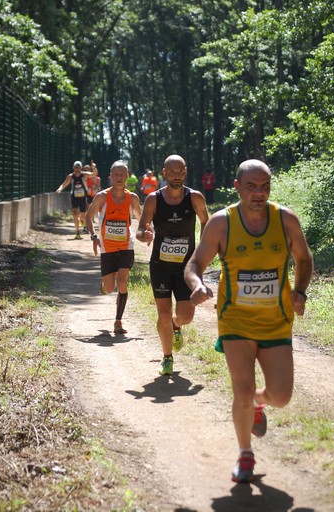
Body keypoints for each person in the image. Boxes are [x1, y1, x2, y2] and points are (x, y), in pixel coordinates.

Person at [184, 159, 313, 483]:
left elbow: (304, 258)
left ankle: (260, 401)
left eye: (265, 186)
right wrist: (197, 285)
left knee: (281, 396)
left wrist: (299, 291)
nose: (259, 193)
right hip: (235, 321)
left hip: (276, 321)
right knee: (240, 391)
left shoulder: (285, 220)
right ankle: (245, 455)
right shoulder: (221, 223)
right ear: (237, 187)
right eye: (252, 186)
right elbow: (194, 263)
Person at [136, 154, 209, 375]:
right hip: (160, 265)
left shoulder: (195, 198)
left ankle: (177, 326)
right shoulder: (153, 199)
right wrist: (144, 235)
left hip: (186, 267)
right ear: (164, 173)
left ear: (185, 172)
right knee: (163, 313)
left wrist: (202, 248)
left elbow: (206, 221)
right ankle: (167, 358)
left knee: (186, 316)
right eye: (172, 172)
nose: (176, 176)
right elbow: (141, 228)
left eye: (180, 172)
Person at [85, 161, 141, 334]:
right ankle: (104, 285)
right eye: (115, 174)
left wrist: (148, 230)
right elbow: (88, 216)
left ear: (127, 176)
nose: (118, 177)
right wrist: (94, 236)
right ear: (111, 176)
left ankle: (118, 321)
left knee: (122, 282)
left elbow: (140, 218)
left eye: (122, 174)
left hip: (126, 246)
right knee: (109, 289)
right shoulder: (102, 196)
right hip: (107, 247)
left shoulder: (132, 198)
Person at [56, 161, 98, 239]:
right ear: (73, 168)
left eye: (79, 167)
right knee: (75, 214)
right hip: (74, 197)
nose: (77, 169)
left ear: (81, 168)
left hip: (82, 197)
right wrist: (60, 189)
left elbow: (93, 174)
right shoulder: (71, 176)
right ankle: (77, 232)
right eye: (76, 167)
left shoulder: (84, 175)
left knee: (82, 216)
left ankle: (84, 225)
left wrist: (94, 168)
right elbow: (64, 184)